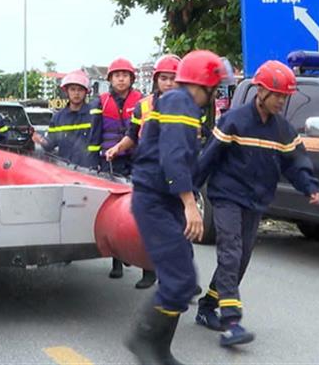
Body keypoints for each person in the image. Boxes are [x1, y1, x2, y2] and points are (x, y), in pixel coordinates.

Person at [194, 60, 319, 347]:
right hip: (226, 196)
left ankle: (207, 307)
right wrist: (187, 194)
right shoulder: (235, 120)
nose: (282, 101)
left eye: (285, 96)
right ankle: (232, 323)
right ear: (261, 91)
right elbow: (208, 157)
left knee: (240, 260)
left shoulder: (283, 130)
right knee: (230, 252)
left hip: (256, 201)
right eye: (278, 95)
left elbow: (296, 162)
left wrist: (308, 186)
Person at [124, 50, 227, 365]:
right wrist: (189, 204)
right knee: (179, 280)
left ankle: (158, 349)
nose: (216, 94)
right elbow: (172, 157)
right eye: (216, 87)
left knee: (182, 280)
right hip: (156, 200)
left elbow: (186, 157)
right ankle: (143, 341)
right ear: (205, 83)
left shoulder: (181, 104)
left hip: (162, 199)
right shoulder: (179, 103)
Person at [103, 54, 181, 289]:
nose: (168, 83)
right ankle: (149, 271)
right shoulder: (144, 105)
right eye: (164, 78)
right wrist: (116, 149)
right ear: (156, 80)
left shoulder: (189, 105)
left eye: (173, 79)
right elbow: (131, 135)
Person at [88, 57, 143, 280]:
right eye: (117, 75)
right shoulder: (100, 102)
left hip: (139, 160)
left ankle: (147, 268)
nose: (121, 79)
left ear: (131, 78)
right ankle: (117, 261)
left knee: (143, 210)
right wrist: (94, 163)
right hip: (112, 161)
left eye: (125, 75)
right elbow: (95, 134)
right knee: (114, 212)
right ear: (110, 79)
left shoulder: (143, 101)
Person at [32, 70, 98, 168]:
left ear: (86, 92)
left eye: (80, 89)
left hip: (90, 172)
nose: (76, 93)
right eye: (73, 89)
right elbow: (50, 145)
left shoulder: (95, 115)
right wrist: (40, 139)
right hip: (65, 171)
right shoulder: (58, 118)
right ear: (66, 91)